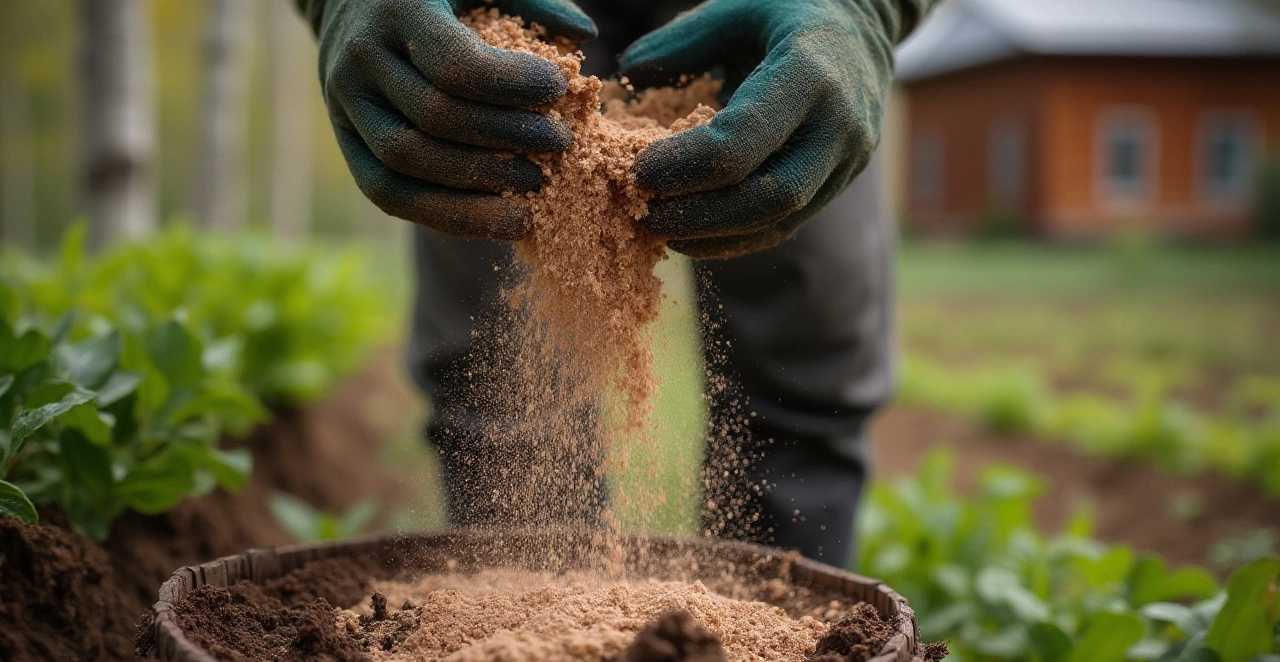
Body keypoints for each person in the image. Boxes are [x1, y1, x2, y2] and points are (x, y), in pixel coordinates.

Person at [292, 0, 939, 568]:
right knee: (499, 388)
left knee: (806, 384)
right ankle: (529, 659)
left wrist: (866, 8)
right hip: (502, 14)